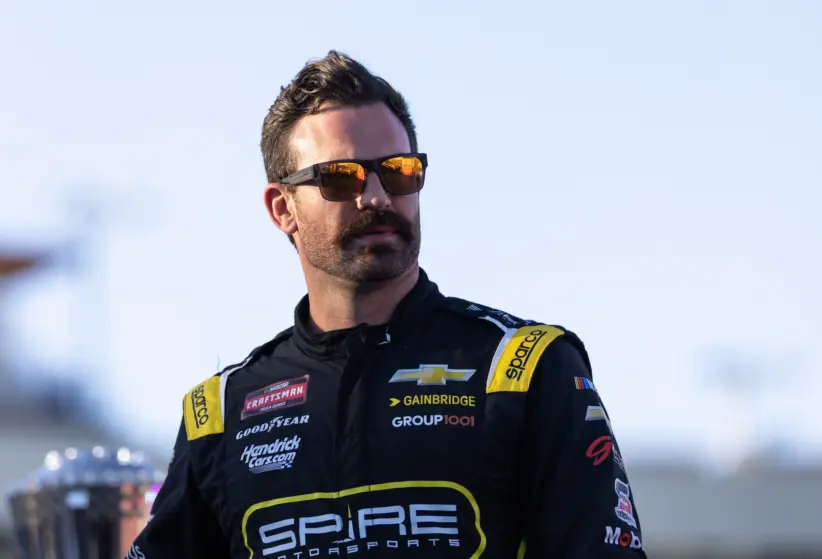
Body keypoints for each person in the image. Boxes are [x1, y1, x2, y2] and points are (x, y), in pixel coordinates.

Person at [126, 51, 647, 559]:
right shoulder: (219, 412)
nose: (376, 197)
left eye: (398, 171)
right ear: (282, 208)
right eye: (341, 177)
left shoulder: (524, 367)